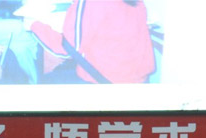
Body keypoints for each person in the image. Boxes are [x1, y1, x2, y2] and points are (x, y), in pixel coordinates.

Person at [25, 0, 155, 84]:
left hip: (108, 81)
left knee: (45, 81)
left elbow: (66, 49)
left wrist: (33, 24)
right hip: (138, 79)